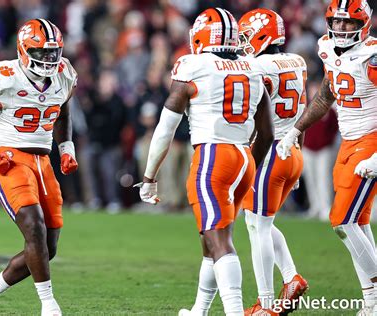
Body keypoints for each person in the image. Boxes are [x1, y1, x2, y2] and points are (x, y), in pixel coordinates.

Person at [135, 8, 274, 316]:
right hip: (243, 157)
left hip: (213, 156)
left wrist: (148, 177)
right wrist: (251, 164)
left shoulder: (192, 65)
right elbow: (267, 132)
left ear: (199, 36)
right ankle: (199, 309)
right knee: (212, 239)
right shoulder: (252, 67)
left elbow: (165, 129)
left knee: (219, 239)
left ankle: (235, 312)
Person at [0, 19, 78, 316]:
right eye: (43, 52)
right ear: (24, 50)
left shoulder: (64, 75)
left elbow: (61, 111)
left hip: (42, 160)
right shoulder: (4, 76)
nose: (50, 59)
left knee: (48, 247)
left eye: (54, 52)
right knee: (33, 228)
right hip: (8, 158)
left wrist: (65, 149)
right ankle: (49, 305)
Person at [276, 1, 376, 315]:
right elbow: (326, 95)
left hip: (370, 139)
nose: (342, 28)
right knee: (358, 221)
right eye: (337, 21)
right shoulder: (326, 48)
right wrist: (296, 129)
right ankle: (371, 302)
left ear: (364, 23)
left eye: (349, 23)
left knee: (342, 221)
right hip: (348, 141)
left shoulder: (372, 55)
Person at [238, 8, 309, 315]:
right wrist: (299, 150)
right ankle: (291, 277)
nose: (243, 42)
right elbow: (302, 109)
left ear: (262, 34)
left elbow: (251, 116)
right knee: (257, 222)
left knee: (259, 227)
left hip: (270, 150)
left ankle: (265, 303)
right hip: (292, 149)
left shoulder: (255, 66)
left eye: (246, 36)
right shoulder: (297, 60)